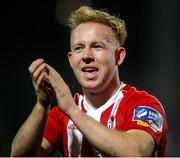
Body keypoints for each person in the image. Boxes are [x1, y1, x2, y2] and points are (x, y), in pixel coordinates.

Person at [11, 5, 167, 157]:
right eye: (79, 48)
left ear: (118, 56)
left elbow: (135, 152)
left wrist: (72, 110)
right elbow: (19, 155)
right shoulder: (60, 116)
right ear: (71, 60)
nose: (86, 56)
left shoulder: (143, 105)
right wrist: (41, 105)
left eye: (97, 46)